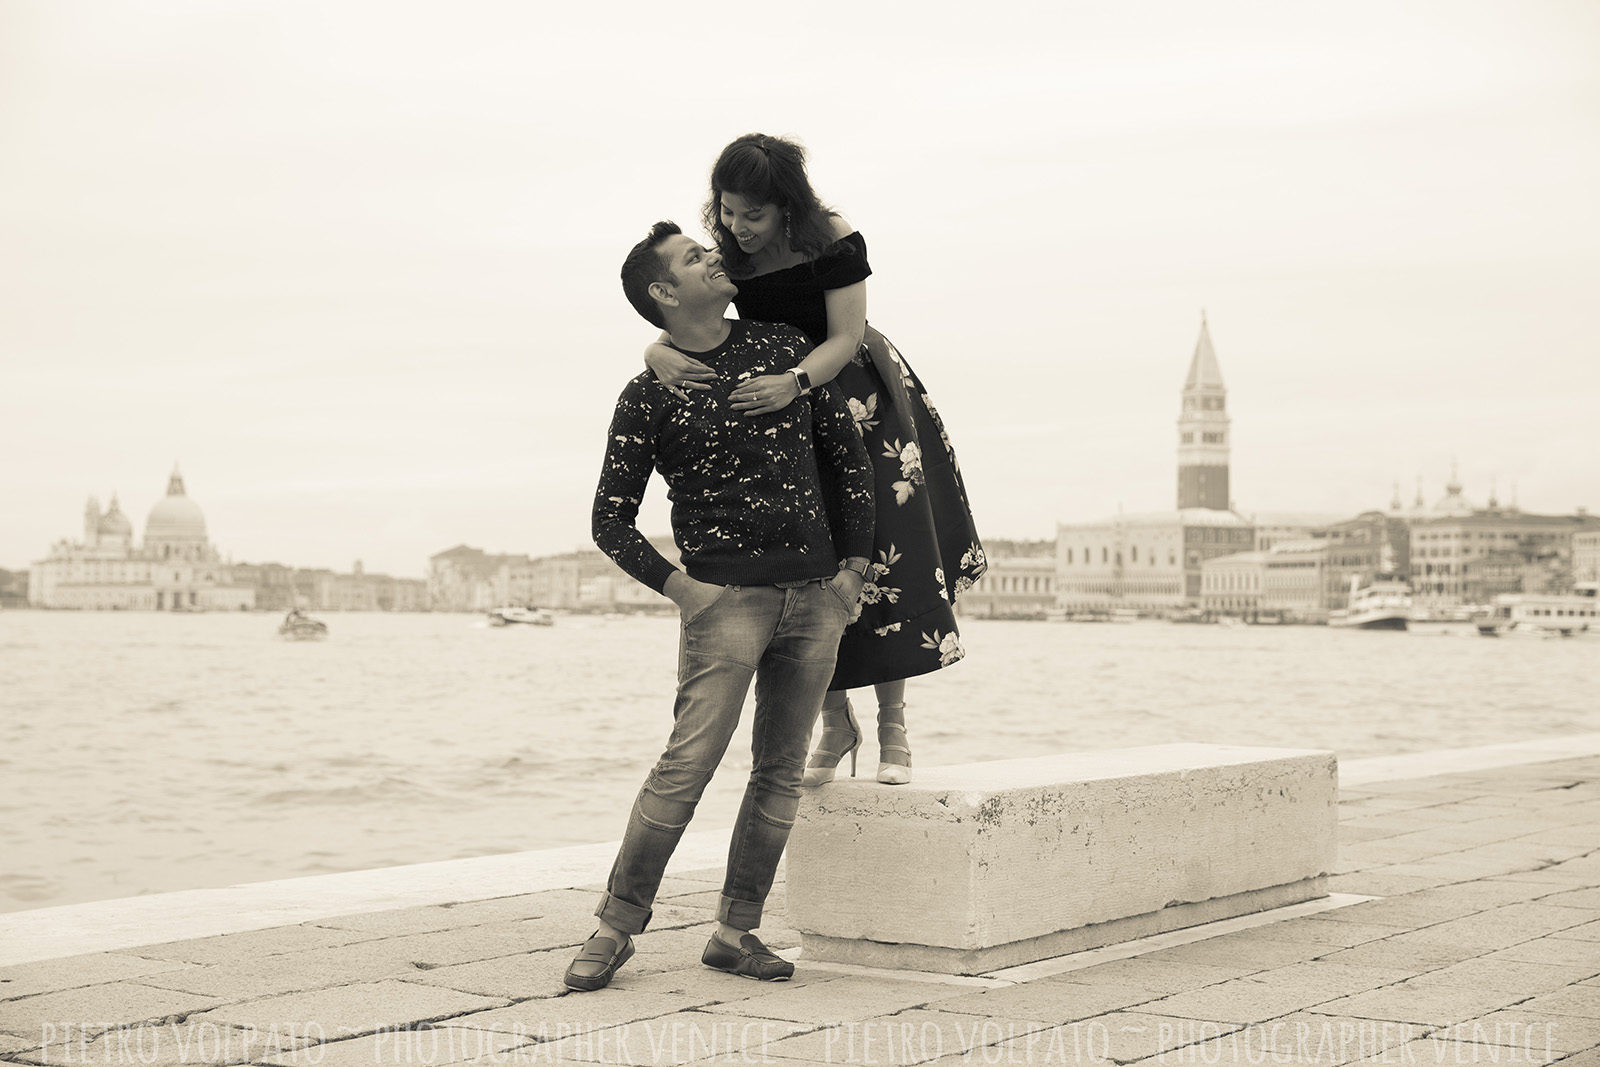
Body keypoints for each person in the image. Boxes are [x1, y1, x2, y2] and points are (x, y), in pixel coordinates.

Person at [566, 221, 875, 993]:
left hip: (815, 596)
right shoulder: (648, 393)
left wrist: (853, 570)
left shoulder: (778, 346)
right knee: (686, 766)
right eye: (693, 259)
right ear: (664, 294)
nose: (713, 256)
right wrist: (684, 589)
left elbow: (847, 452)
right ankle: (614, 925)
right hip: (723, 601)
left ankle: (737, 931)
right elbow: (609, 517)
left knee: (777, 772)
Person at [645, 133, 985, 789]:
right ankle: (837, 722)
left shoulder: (830, 233)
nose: (739, 228)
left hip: (855, 398)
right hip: (786, 416)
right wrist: (657, 349)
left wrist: (794, 381)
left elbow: (846, 335)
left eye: (755, 215)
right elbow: (693, 313)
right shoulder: (727, 246)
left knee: (883, 559)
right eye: (728, 210)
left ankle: (894, 729)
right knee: (805, 567)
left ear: (786, 206)